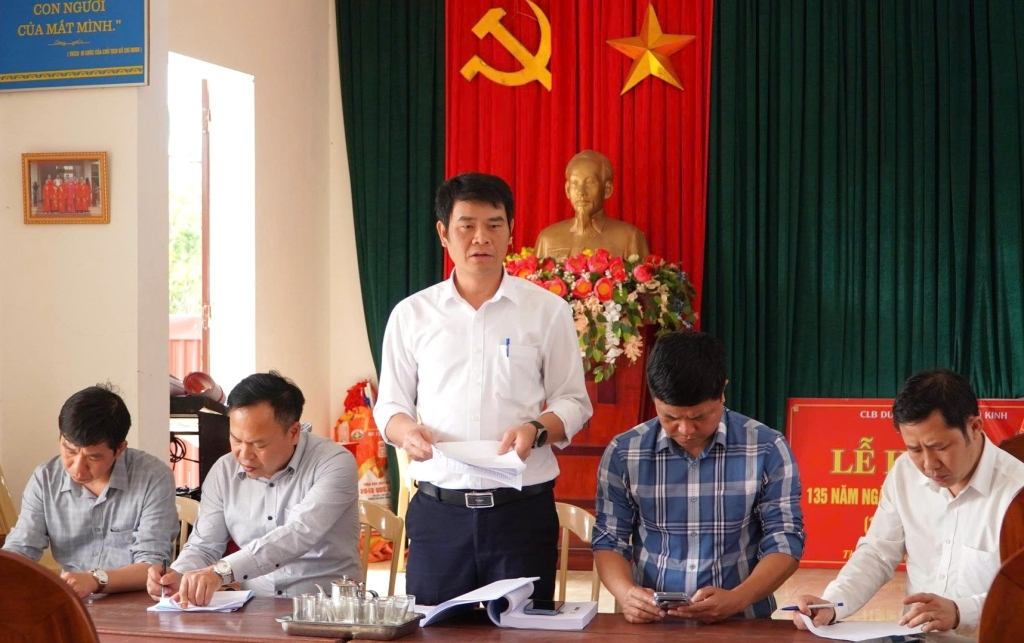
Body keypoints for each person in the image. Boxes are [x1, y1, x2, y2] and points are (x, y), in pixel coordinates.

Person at [374, 172, 593, 605]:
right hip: (439, 514)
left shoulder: (547, 311)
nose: (481, 237)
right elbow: (390, 405)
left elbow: (574, 401)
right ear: (443, 233)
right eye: (467, 225)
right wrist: (406, 432)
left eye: (494, 224)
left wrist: (536, 430)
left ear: (511, 231)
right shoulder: (412, 315)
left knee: (522, 630)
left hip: (521, 512)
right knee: (434, 630)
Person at [593, 330, 805, 623]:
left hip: (741, 621)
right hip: (652, 623)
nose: (685, 431)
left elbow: (785, 539)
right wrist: (626, 594)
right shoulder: (625, 452)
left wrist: (738, 599)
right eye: (670, 418)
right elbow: (609, 539)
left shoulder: (767, 448)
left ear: (722, 392)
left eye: (699, 417)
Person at [792, 369, 1024, 635]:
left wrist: (960, 612)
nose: (929, 464)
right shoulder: (904, 473)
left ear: (974, 428)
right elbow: (877, 553)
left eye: (940, 447)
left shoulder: (1017, 492)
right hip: (916, 637)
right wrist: (833, 603)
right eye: (914, 449)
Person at [147, 371, 360, 607]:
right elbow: (204, 545)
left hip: (327, 607)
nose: (244, 455)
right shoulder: (224, 471)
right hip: (256, 607)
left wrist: (221, 572)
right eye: (236, 439)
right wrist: (177, 574)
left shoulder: (334, 462)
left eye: (259, 444)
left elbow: (298, 534)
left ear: (293, 433)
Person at [3, 384, 178, 598]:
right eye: (69, 451)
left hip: (136, 601)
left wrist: (95, 580)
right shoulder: (45, 478)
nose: (77, 468)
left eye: (93, 457)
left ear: (120, 449)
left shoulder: (153, 477)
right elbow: (22, 547)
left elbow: (152, 565)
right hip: (74, 599)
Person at [533, 150, 651, 260]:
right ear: (567, 190)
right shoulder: (547, 239)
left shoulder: (630, 238)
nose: (581, 192)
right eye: (575, 183)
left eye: (590, 182)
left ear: (607, 190)